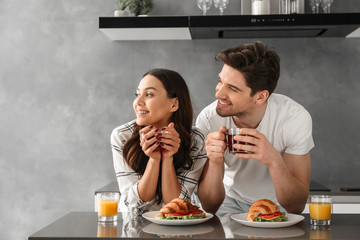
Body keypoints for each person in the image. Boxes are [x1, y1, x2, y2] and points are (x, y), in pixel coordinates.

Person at [196, 41, 314, 215]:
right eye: (220, 81)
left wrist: (273, 159)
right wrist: (215, 161)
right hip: (229, 201)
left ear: (260, 97)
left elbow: (296, 206)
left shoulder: (294, 118)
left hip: (278, 204)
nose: (218, 94)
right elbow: (209, 206)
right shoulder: (208, 119)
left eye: (232, 88)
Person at [111, 68, 207, 214]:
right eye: (137, 94)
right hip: (133, 225)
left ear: (173, 104)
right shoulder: (123, 136)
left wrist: (167, 158)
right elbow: (134, 204)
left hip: (176, 230)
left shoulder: (195, 140)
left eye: (149, 94)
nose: (138, 101)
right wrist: (154, 160)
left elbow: (177, 205)